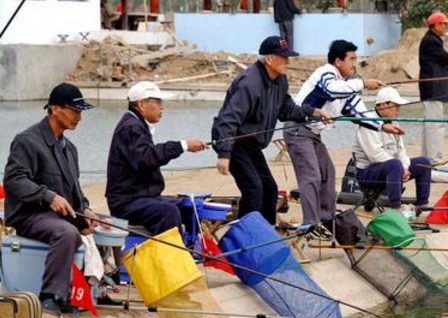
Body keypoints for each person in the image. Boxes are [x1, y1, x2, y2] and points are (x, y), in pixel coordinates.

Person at [212, 36, 329, 224]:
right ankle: (246, 238)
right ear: (268, 59)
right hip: (232, 140)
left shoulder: (280, 80)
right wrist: (224, 154)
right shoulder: (249, 82)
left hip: (251, 142)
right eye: (283, 57)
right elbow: (228, 120)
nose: (287, 62)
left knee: (270, 189)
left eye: (288, 57)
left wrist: (313, 112)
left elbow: (287, 110)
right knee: (253, 189)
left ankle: (265, 233)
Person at [3, 83, 97, 309]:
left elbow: (75, 190)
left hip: (60, 215)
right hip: (29, 215)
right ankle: (50, 297)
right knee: (67, 232)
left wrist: (85, 208)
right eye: (74, 111)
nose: (79, 117)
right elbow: (13, 180)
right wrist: (48, 196)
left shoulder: (70, 148)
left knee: (108, 227)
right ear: (55, 109)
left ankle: (96, 291)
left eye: (80, 111)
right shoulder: (27, 140)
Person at [283, 39, 392, 228]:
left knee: (328, 173)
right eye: (351, 59)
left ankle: (327, 219)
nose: (354, 64)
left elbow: (358, 113)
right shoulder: (326, 73)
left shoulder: (346, 86)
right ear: (338, 62)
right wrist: (363, 83)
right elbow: (331, 90)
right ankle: (310, 223)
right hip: (297, 130)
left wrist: (383, 126)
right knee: (311, 176)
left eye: (355, 59)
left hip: (312, 134)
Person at [106, 81, 208, 235]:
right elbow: (146, 158)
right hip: (127, 202)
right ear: (141, 104)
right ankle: (173, 256)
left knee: (189, 207)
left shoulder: (137, 124)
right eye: (158, 102)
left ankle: (192, 251)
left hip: (143, 197)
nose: (162, 107)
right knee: (168, 212)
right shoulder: (130, 127)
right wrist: (182, 145)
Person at [353, 87, 431, 220]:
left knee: (424, 162)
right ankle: (396, 208)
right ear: (383, 105)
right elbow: (375, 155)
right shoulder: (368, 122)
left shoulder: (393, 121)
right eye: (395, 106)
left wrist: (405, 167)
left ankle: (422, 205)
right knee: (395, 164)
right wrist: (400, 168)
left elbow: (401, 150)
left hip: (391, 168)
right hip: (367, 173)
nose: (398, 109)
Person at [419, 12, 448, 163]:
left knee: (430, 124)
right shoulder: (431, 41)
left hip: (433, 88)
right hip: (433, 88)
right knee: (435, 125)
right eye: (444, 24)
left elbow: (445, 61)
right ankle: (434, 159)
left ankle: (426, 158)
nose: (446, 27)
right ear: (436, 25)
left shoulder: (432, 40)